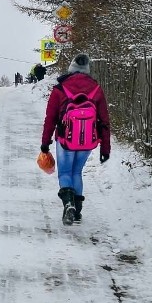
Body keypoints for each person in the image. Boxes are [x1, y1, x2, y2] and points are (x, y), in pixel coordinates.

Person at [40, 54, 111, 225]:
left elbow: (50, 118)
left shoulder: (60, 89)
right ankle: (77, 212)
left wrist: (45, 143)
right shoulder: (96, 89)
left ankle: (69, 204)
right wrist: (105, 148)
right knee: (76, 172)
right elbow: (104, 120)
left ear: (71, 68)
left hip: (65, 139)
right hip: (87, 141)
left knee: (65, 173)